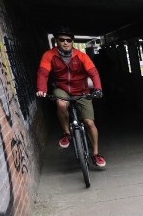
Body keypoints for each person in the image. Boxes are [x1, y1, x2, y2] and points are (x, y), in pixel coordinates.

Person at [36, 26, 107, 168]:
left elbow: (93, 72)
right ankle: (67, 133)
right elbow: (43, 73)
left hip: (82, 90)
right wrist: (41, 89)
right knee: (61, 104)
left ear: (72, 42)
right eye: (61, 40)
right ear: (56, 41)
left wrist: (98, 88)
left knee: (89, 123)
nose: (65, 42)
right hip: (62, 88)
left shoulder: (81, 56)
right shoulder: (49, 55)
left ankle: (96, 154)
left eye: (68, 40)